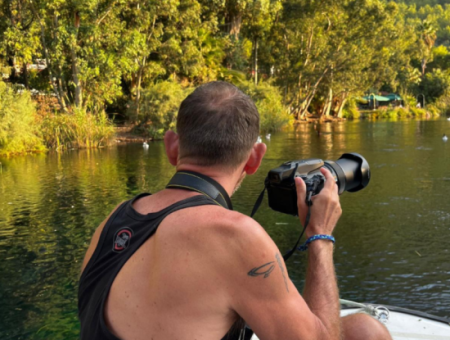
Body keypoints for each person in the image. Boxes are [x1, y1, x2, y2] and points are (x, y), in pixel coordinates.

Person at [78, 81, 392, 340]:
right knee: (368, 332)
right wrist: (319, 235)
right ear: (255, 158)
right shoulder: (234, 234)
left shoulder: (114, 219)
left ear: (172, 146)